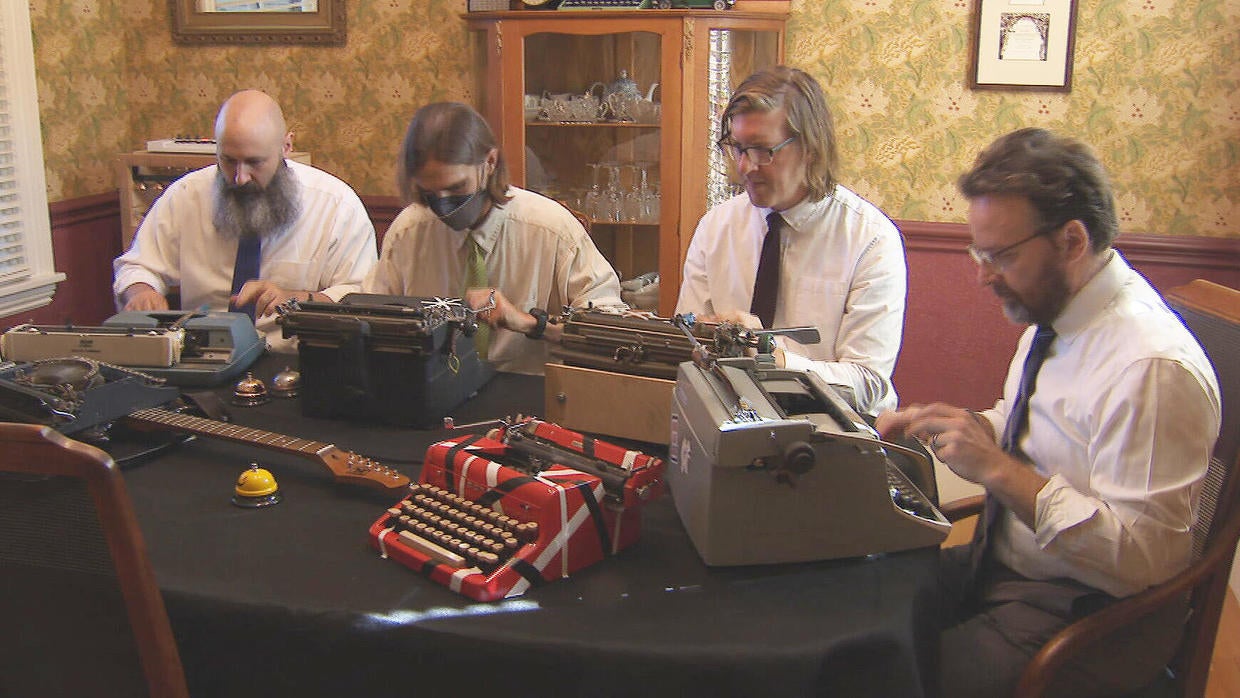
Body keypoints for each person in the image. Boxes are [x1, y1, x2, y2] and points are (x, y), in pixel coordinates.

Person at [875, 128, 1221, 697]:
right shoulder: (1058, 311)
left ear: (1072, 240)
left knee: (883, 676)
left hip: (1090, 617)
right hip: (1006, 569)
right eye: (978, 253)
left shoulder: (1151, 369)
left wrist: (998, 470)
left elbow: (1144, 561)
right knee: (859, 599)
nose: (984, 274)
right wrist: (961, 426)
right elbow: (1030, 423)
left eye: (1001, 256)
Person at [674, 66, 906, 417]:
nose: (746, 167)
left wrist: (769, 357)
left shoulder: (870, 239)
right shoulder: (716, 226)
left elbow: (868, 384)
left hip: (831, 427)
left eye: (764, 151)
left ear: (811, 147)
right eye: (738, 148)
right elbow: (686, 344)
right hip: (729, 419)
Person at [361, 101, 624, 375]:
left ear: (489, 162)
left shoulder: (552, 229)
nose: (443, 204)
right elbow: (371, 316)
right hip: (435, 388)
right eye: (430, 193)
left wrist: (529, 323)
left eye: (456, 188)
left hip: (529, 393)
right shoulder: (409, 230)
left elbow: (608, 333)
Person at [113, 89, 377, 352]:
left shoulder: (336, 205)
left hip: (293, 358)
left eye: (254, 162)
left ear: (286, 146)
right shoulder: (187, 195)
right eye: (228, 161)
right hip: (202, 354)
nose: (240, 178)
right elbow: (137, 265)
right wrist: (141, 292)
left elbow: (360, 295)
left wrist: (294, 299)